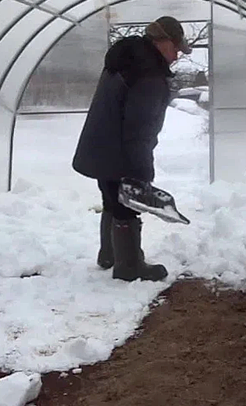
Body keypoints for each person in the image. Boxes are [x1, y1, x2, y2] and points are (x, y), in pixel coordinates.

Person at [72, 16, 191, 282]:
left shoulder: (125, 59)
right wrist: (142, 172)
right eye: (176, 49)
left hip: (101, 145)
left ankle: (110, 254)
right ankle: (129, 266)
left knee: (111, 200)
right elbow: (140, 128)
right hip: (120, 151)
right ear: (163, 42)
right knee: (127, 205)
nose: (176, 57)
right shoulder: (148, 73)